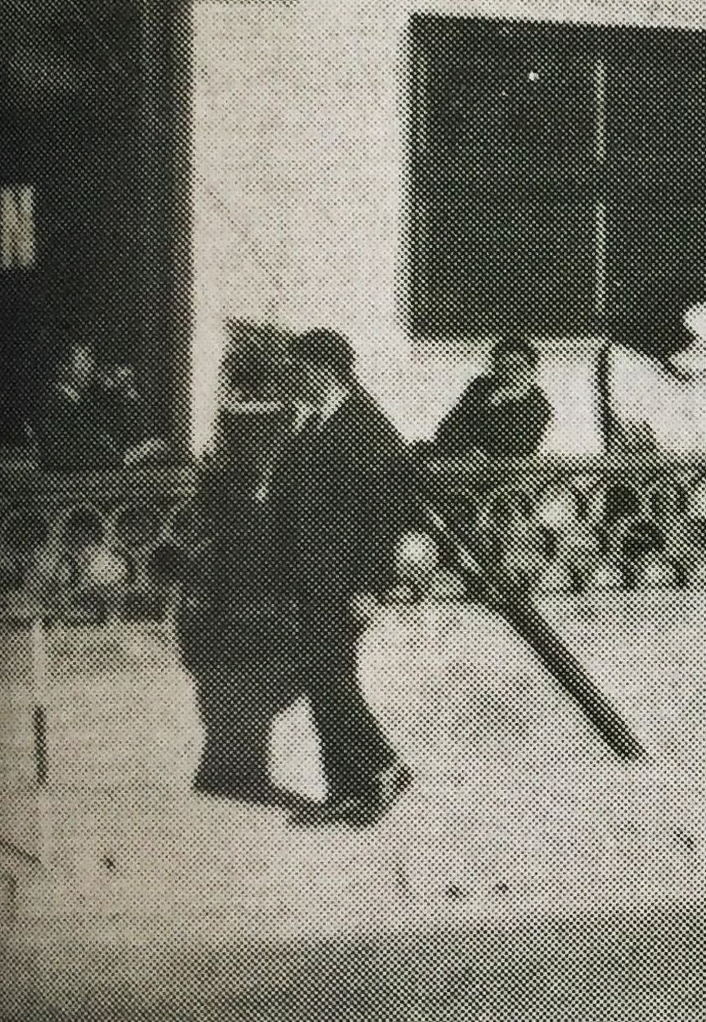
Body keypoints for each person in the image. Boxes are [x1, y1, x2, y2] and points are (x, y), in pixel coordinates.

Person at [267, 329, 423, 825]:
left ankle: (383, 767)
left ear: (325, 370)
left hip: (343, 579)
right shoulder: (312, 421)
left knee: (328, 675)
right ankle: (344, 788)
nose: (294, 375)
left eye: (301, 366)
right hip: (309, 576)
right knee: (325, 676)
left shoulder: (366, 427)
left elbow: (388, 512)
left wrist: (370, 586)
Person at [174, 403, 306, 806]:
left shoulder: (232, 499)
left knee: (245, 681)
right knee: (253, 677)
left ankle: (231, 769)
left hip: (232, 620)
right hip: (241, 620)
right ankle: (236, 772)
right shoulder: (251, 509)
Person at [427, 338, 556, 459]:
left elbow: (520, 448)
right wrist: (490, 405)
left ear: (532, 371)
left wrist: (509, 400)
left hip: (500, 471)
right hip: (459, 458)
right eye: (503, 368)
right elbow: (446, 431)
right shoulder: (480, 388)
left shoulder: (539, 405)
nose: (510, 374)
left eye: (517, 367)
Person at [35, 332, 145, 472]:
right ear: (63, 367)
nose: (93, 365)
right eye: (86, 359)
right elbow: (84, 456)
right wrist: (139, 453)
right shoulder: (55, 405)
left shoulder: (81, 402)